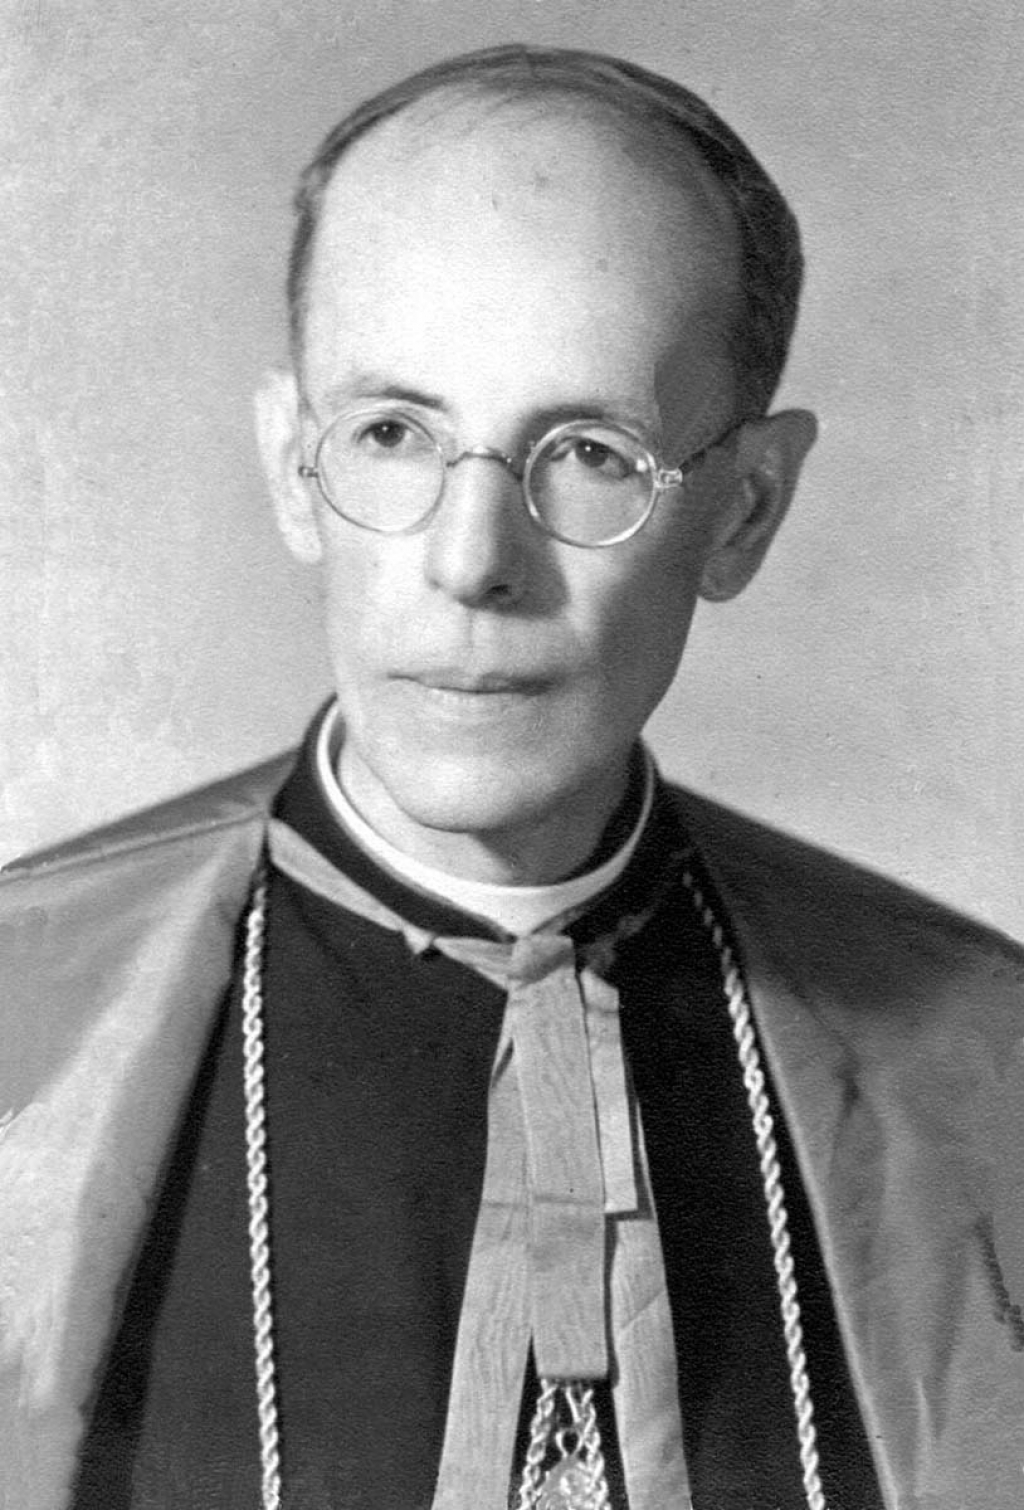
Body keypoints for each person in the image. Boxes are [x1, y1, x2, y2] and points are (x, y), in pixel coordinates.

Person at [1, 41, 1022, 1510]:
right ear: (293, 468)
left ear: (745, 510)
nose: (473, 562)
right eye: (393, 434)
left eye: (591, 452)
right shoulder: (21, 1022)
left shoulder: (990, 1067)